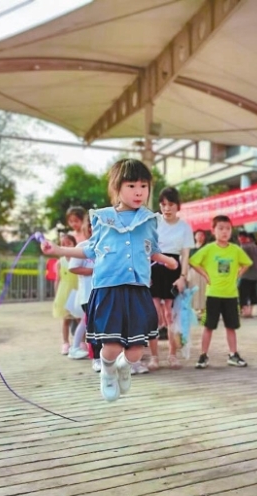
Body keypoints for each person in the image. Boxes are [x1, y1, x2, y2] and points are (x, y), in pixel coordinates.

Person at [41, 158, 178, 402]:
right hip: (108, 290)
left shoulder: (149, 220)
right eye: (131, 186)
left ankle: (125, 367)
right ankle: (107, 370)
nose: (138, 192)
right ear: (117, 188)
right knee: (112, 346)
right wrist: (58, 251)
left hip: (137, 290)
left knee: (135, 351)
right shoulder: (102, 218)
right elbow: (89, 250)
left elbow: (151, 249)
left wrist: (166, 260)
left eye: (143, 186)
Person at [189, 215, 252, 369]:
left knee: (231, 326)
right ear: (213, 231)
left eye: (228, 229)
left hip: (231, 294)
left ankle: (233, 354)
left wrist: (238, 274)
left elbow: (247, 263)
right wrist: (205, 275)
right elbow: (193, 261)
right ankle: (203, 355)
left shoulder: (236, 250)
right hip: (213, 294)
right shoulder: (209, 249)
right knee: (208, 326)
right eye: (221, 228)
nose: (224, 232)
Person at [145, 187, 194, 373]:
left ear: (177, 206)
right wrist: (145, 275)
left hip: (174, 271)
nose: (167, 208)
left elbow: (186, 255)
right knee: (154, 316)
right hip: (154, 269)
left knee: (171, 315)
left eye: (171, 204)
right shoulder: (154, 222)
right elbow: (146, 249)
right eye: (163, 204)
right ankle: (154, 356)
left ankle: (172, 354)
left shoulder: (185, 227)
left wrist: (183, 277)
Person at [68, 221, 97, 365]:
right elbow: (73, 268)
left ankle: (76, 347)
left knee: (91, 323)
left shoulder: (109, 246)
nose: (93, 229)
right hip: (88, 293)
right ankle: (94, 357)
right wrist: (94, 271)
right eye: (91, 227)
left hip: (105, 293)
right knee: (90, 324)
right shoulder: (82, 247)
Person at [52, 234, 79, 355]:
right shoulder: (60, 263)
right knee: (66, 320)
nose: (66, 246)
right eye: (63, 244)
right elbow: (58, 280)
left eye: (69, 243)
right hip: (65, 292)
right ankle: (65, 343)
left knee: (79, 319)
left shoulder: (79, 260)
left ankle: (79, 343)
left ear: (74, 244)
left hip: (77, 291)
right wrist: (57, 295)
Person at [238, 230, 257, 318]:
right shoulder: (255, 246)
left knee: (243, 293)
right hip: (255, 274)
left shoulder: (243, 247)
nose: (240, 239)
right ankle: (253, 311)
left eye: (240, 237)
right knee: (253, 293)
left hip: (246, 274)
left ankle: (245, 312)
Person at [187, 229, 208, 315]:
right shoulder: (191, 248)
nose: (200, 237)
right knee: (194, 289)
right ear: (195, 237)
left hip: (203, 271)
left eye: (202, 235)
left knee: (203, 290)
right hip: (193, 271)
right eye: (198, 235)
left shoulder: (206, 248)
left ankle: (203, 309)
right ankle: (195, 309)